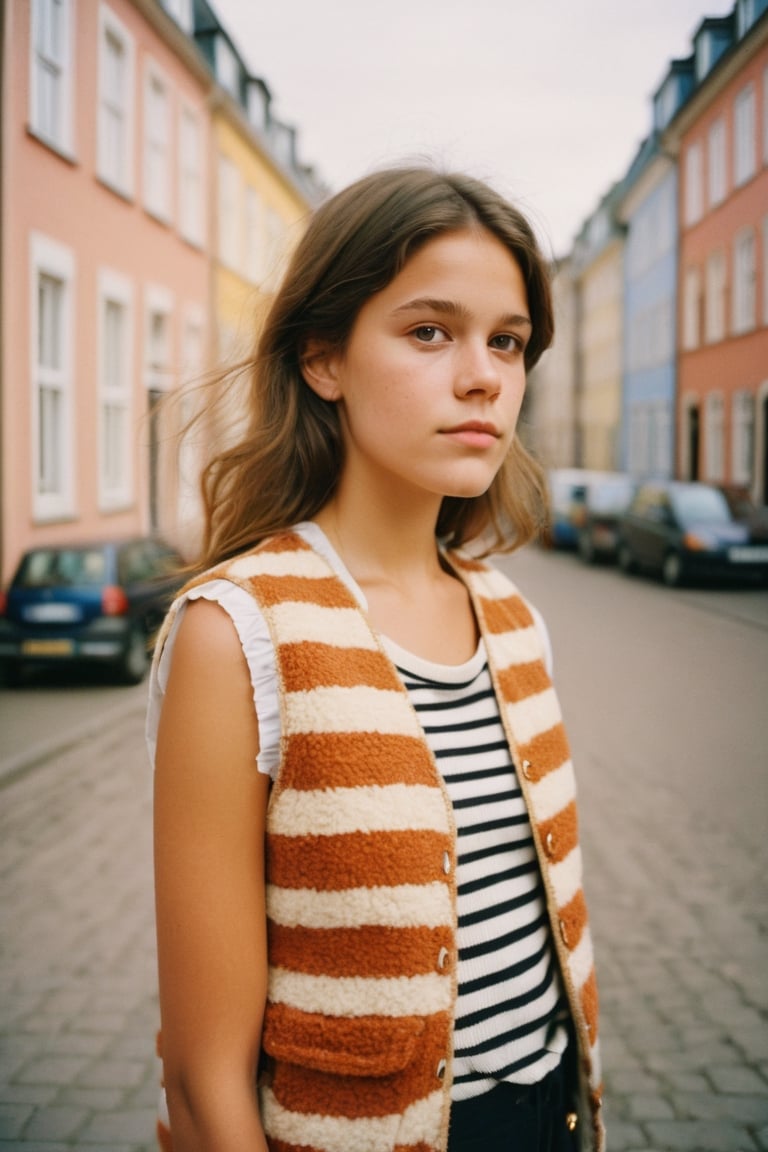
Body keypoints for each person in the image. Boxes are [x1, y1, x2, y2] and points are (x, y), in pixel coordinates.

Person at [148, 165, 604, 1152]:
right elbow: (200, 1077)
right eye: (430, 331)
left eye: (508, 341)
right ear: (325, 358)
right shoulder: (237, 631)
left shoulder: (515, 617)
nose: (484, 374)